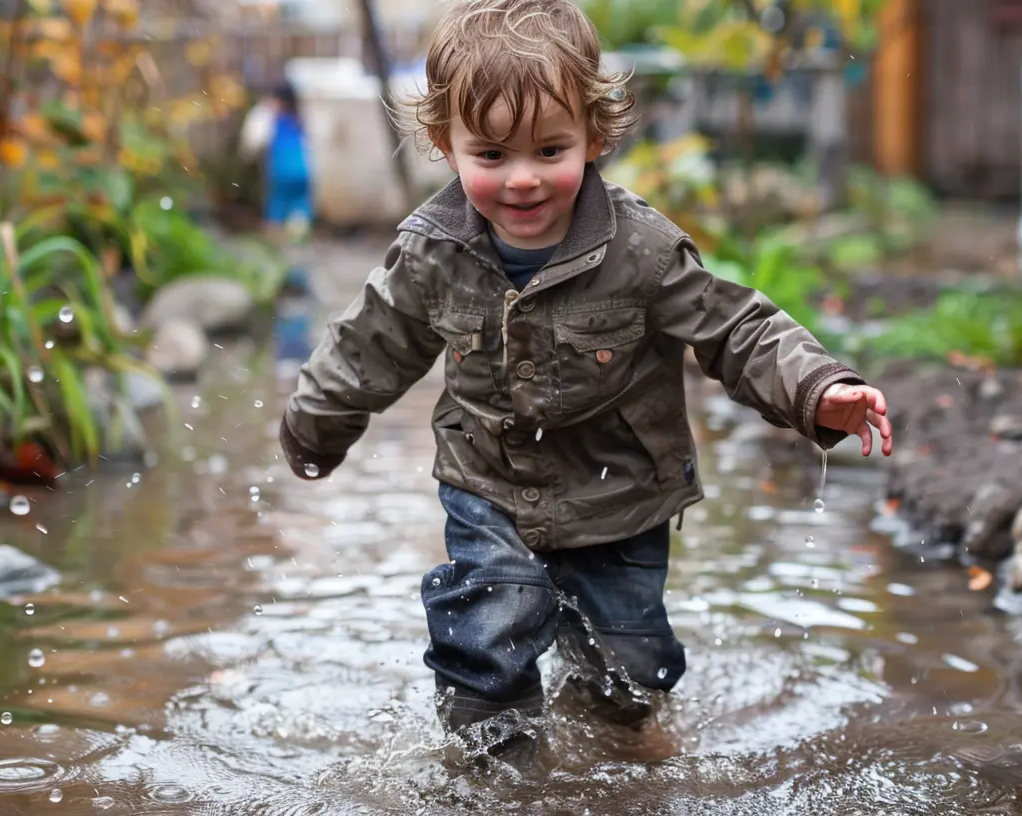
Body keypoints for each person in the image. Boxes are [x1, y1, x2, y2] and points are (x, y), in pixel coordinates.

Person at [279, 0, 893, 770]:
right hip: (489, 480)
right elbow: (370, 343)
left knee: (625, 669)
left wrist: (817, 390)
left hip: (622, 492)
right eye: (492, 155)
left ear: (595, 136)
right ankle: (492, 767)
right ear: (446, 145)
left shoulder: (640, 249)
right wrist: (315, 425)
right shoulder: (433, 252)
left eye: (550, 149)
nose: (524, 179)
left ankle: (621, 755)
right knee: (486, 627)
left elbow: (736, 329)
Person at [240, 79, 314, 237]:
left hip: (281, 170)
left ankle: (275, 242)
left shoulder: (268, 116)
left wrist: (247, 157)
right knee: (300, 208)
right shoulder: (298, 118)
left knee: (277, 205)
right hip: (303, 170)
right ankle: (298, 241)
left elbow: (253, 140)